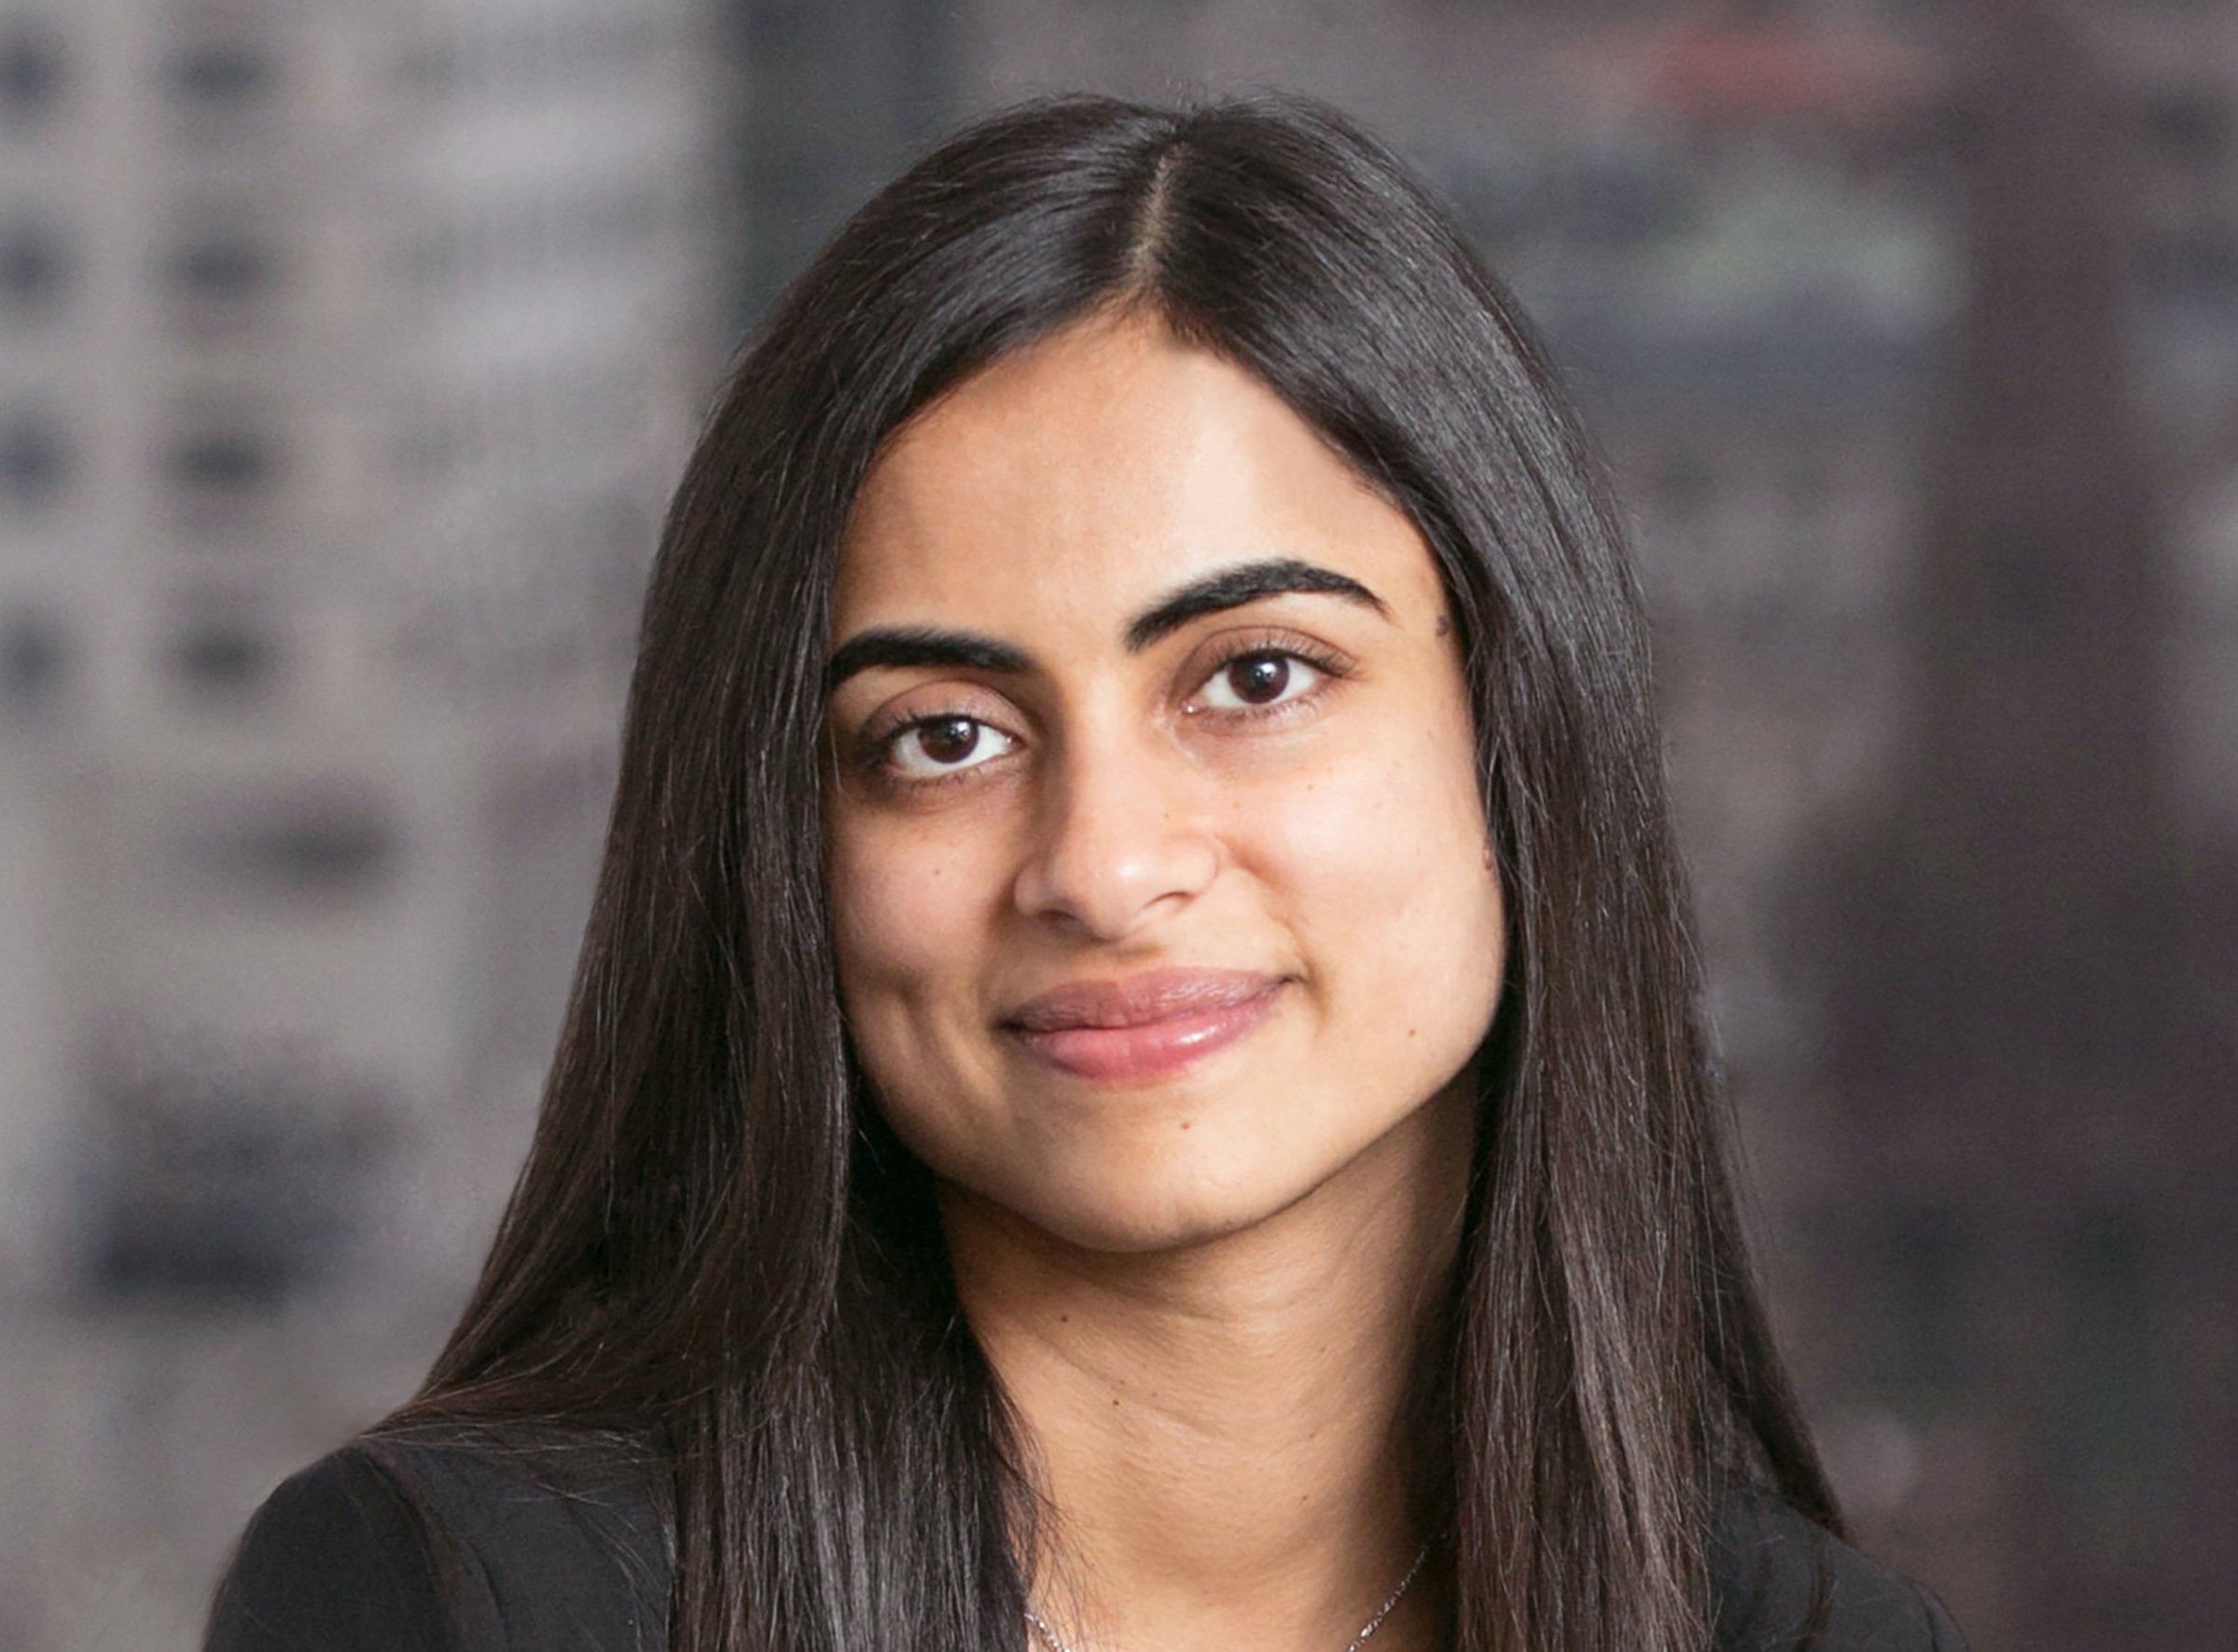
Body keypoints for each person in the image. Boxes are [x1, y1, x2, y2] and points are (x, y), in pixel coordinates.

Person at [204, 95, 1967, 1652]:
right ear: (785, 852)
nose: (1106, 869)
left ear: (1519, 736)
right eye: (945, 735)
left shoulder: (1801, 1638)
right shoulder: (462, 1603)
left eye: (1255, 678)